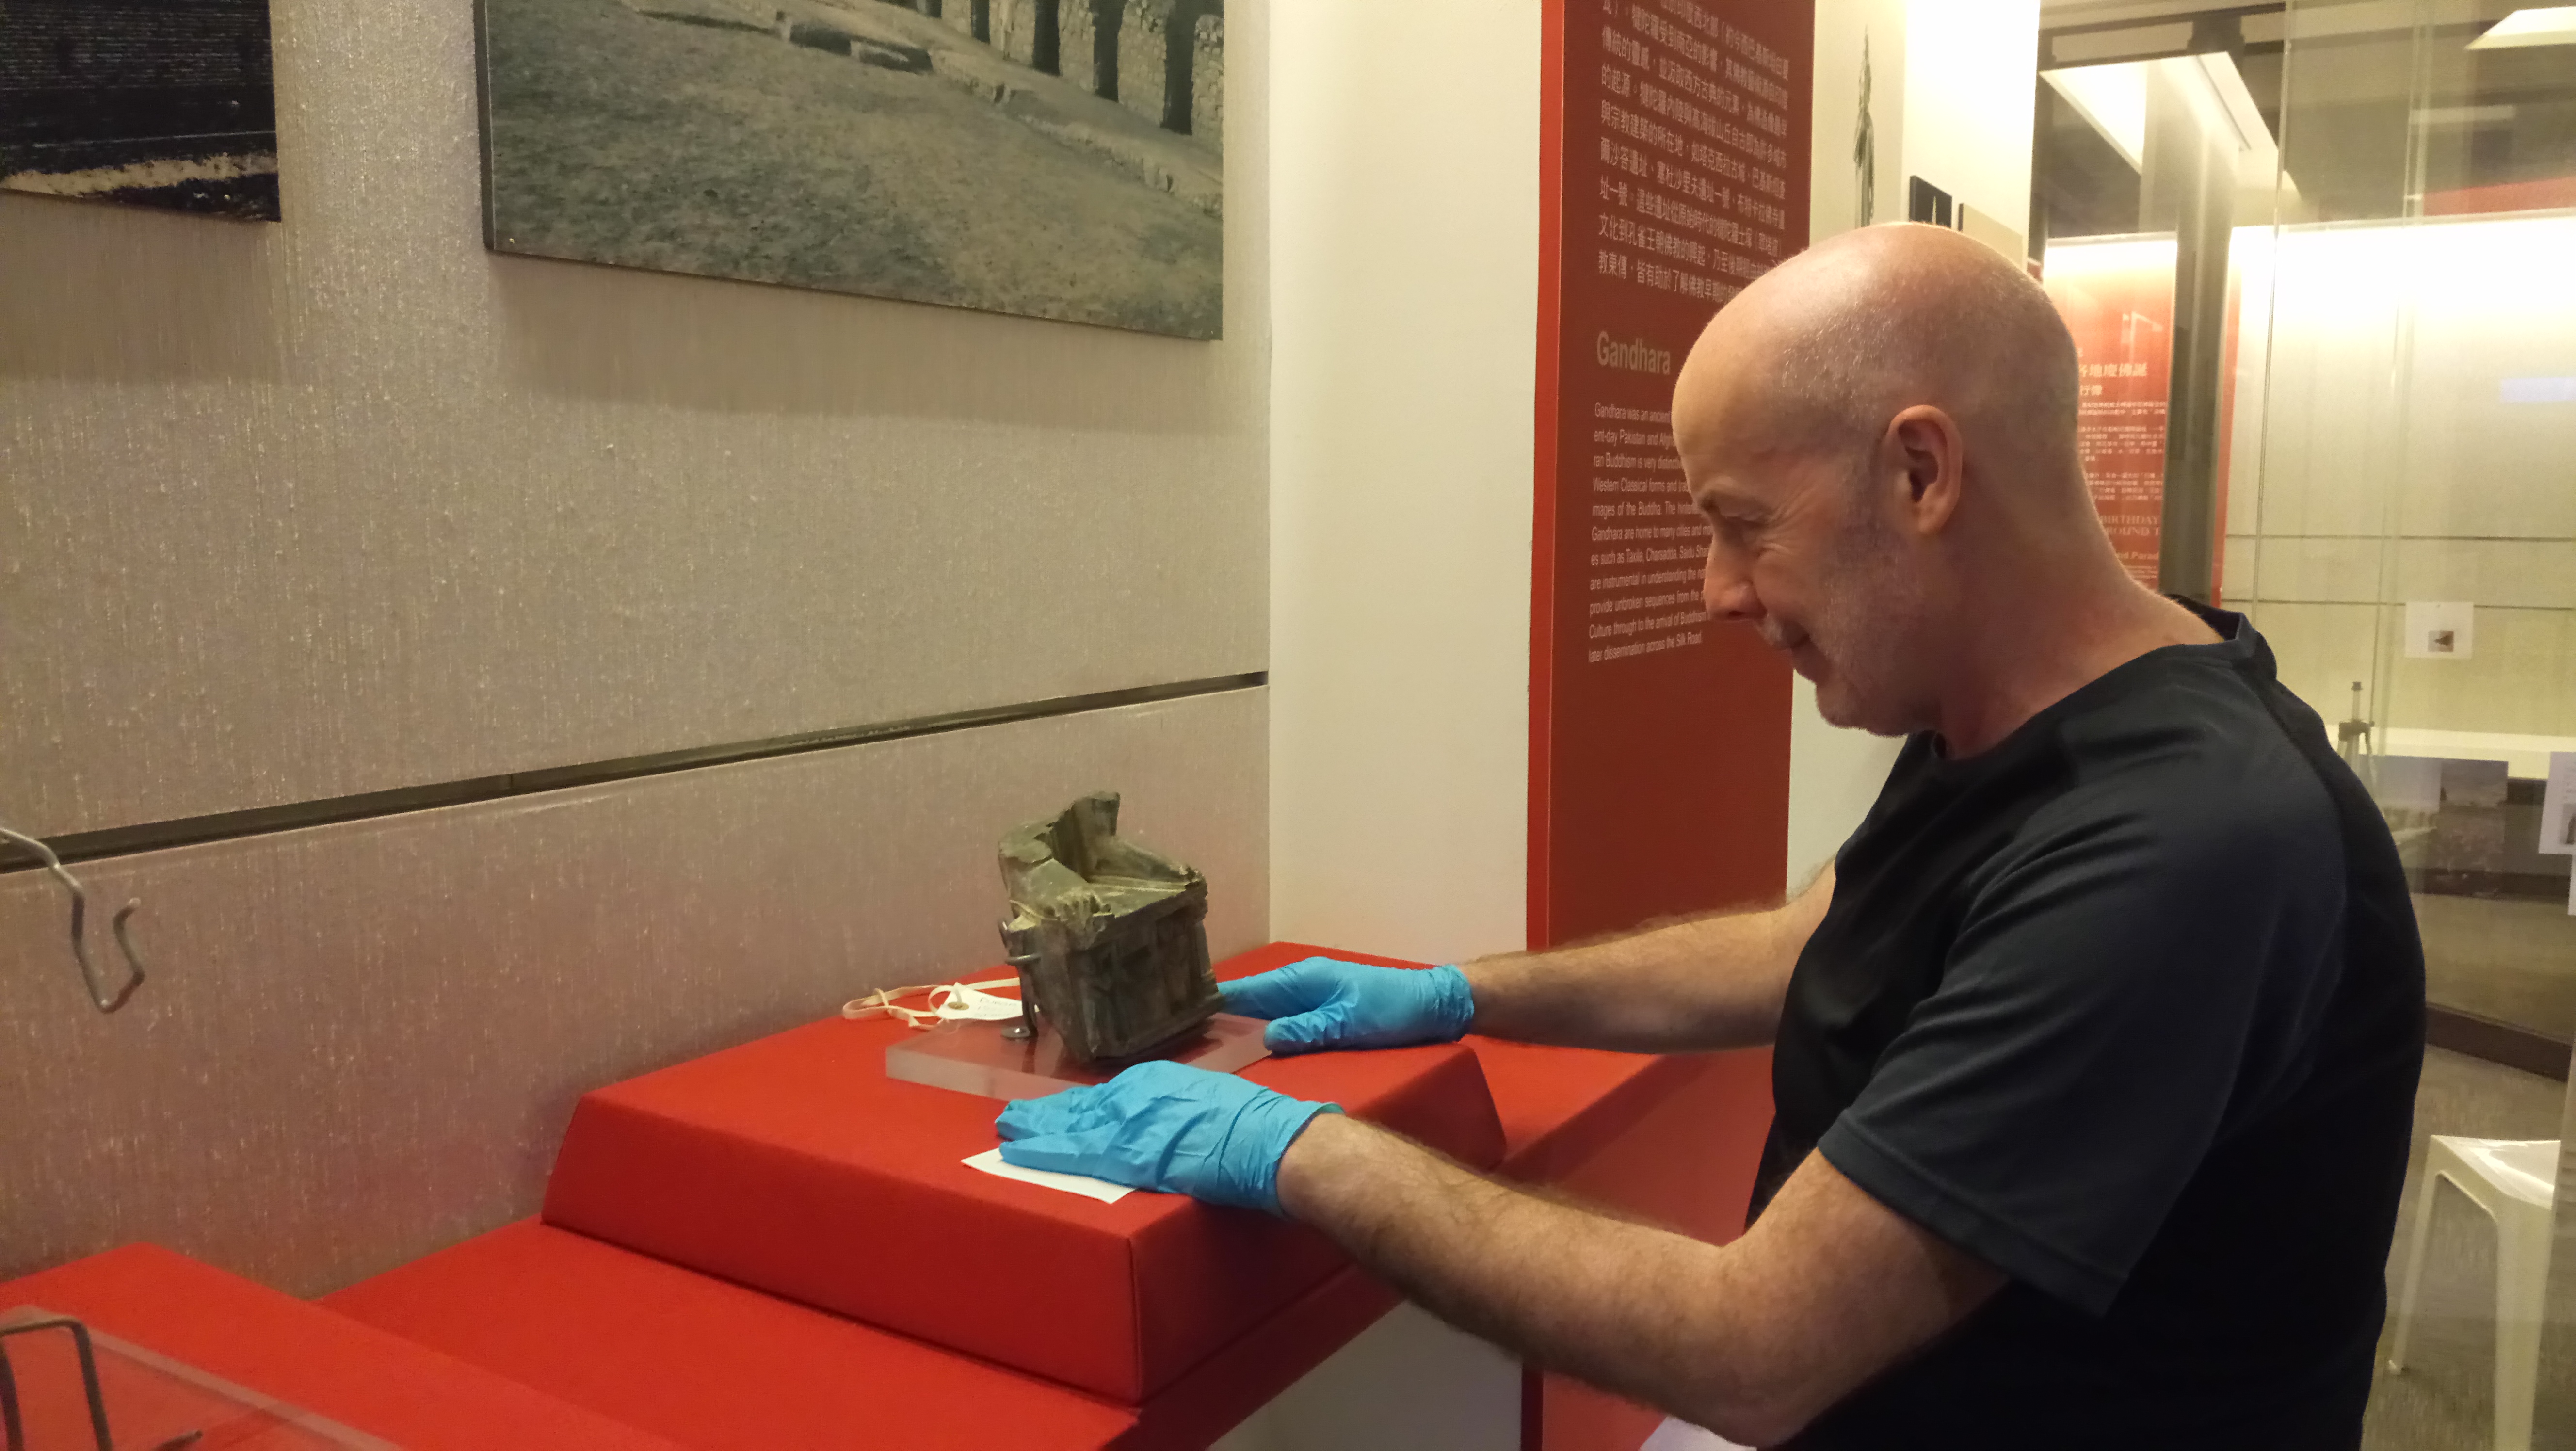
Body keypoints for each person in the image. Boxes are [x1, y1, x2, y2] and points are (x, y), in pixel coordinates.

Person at [994, 224, 2425, 1449]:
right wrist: (1455, 995)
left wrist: (1302, 1155)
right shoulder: (2017, 707)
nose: (1718, 591)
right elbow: (1819, 942)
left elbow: (1757, 1346)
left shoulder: (2184, 845)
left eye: (1745, 524)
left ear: (1920, 474)